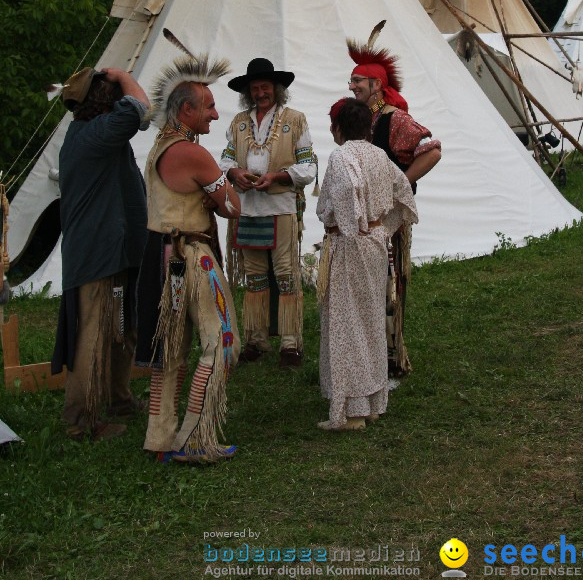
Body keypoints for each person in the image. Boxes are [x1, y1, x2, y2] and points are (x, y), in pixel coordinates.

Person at [135, 51, 241, 464]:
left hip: (162, 255)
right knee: (223, 342)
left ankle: (160, 440)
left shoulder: (158, 148)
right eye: (209, 107)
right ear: (186, 109)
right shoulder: (193, 154)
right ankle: (194, 438)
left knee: (171, 351)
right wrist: (230, 184)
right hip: (192, 258)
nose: (214, 115)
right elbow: (230, 207)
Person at [51, 66, 150, 441]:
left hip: (117, 249)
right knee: (92, 334)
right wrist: (122, 74)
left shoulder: (97, 134)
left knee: (122, 327)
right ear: (104, 101)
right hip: (98, 252)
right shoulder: (95, 134)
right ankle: (80, 421)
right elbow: (141, 107)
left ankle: (118, 399)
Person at [316, 99, 418, 430]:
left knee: (349, 322)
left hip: (352, 244)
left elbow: (347, 187)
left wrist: (351, 226)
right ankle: (373, 403)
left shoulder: (342, 156)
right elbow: (403, 191)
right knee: (370, 318)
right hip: (373, 244)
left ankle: (354, 411)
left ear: (339, 128)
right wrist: (382, 229)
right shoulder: (379, 155)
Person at [347, 32, 441, 375]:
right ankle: (371, 352)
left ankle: (390, 355)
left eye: (358, 80)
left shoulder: (393, 118)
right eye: (351, 80)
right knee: (367, 283)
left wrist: (401, 186)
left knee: (388, 282)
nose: (352, 85)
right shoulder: (361, 117)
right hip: (362, 217)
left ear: (376, 84)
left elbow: (431, 151)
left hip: (386, 219)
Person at [220, 57, 317, 367]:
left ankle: (291, 343)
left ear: (276, 89)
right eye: (255, 89)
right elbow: (224, 160)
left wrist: (277, 177)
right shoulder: (238, 123)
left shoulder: (295, 120)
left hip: (281, 208)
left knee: (287, 274)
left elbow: (308, 167)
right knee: (255, 276)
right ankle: (255, 339)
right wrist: (234, 173)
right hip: (248, 211)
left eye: (265, 87)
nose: (260, 93)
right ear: (248, 93)